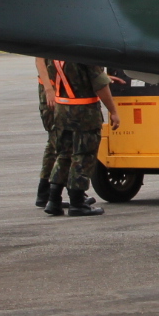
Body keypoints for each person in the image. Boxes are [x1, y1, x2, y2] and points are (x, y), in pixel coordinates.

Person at [42, 58, 118, 217]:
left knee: (64, 155)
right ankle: (77, 202)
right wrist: (113, 111)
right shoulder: (84, 55)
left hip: (62, 111)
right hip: (84, 112)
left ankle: (53, 199)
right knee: (84, 155)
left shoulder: (55, 54)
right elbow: (100, 84)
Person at [33, 58, 59, 208]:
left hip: (61, 92)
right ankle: (49, 192)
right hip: (51, 93)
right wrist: (49, 89)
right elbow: (39, 60)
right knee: (58, 143)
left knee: (55, 144)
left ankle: (46, 192)